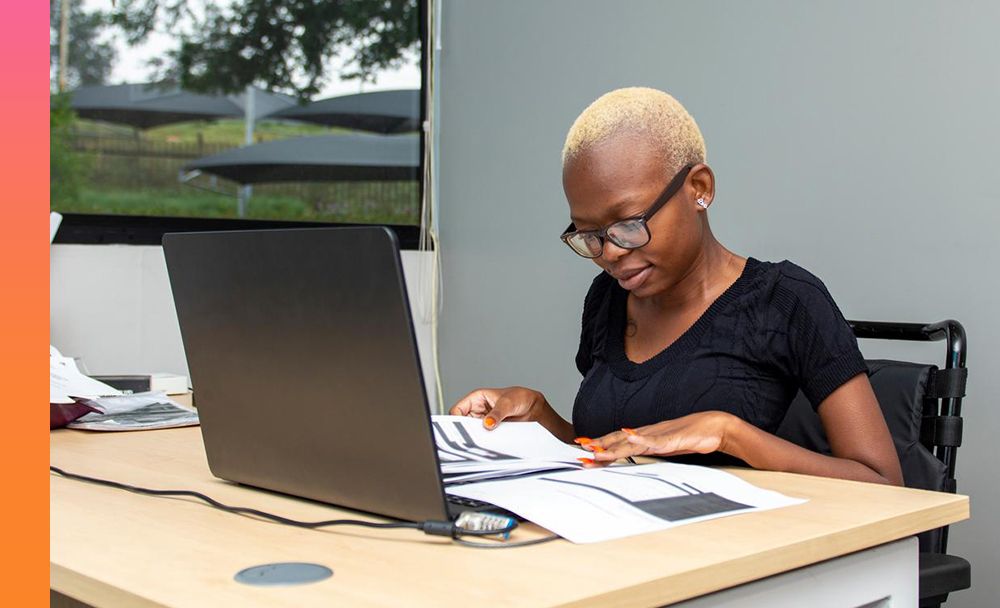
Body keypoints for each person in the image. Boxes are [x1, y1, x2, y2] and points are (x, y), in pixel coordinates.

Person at [450, 87, 903, 486]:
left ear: (699, 189)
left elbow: (883, 483)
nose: (609, 253)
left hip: (737, 562)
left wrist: (730, 434)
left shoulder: (786, 302)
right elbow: (620, 455)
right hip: (630, 553)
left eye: (628, 224)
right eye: (589, 235)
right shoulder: (607, 301)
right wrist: (539, 417)